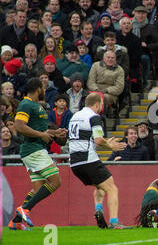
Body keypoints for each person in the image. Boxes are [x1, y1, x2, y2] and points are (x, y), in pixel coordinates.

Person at [8, 78, 67, 230]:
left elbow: (41, 131)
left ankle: (15, 221)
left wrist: (55, 132)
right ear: (37, 89)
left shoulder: (35, 106)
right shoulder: (26, 104)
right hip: (33, 150)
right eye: (43, 87)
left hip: (34, 149)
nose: (44, 90)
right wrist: (41, 136)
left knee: (38, 188)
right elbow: (19, 126)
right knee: (55, 181)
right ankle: (25, 210)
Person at [68, 92, 129, 229]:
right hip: (88, 159)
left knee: (100, 186)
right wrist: (110, 145)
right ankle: (114, 222)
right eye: (101, 104)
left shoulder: (75, 116)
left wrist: (106, 142)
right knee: (112, 188)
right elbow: (98, 140)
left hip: (74, 163)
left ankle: (99, 211)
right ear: (97, 104)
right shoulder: (94, 117)